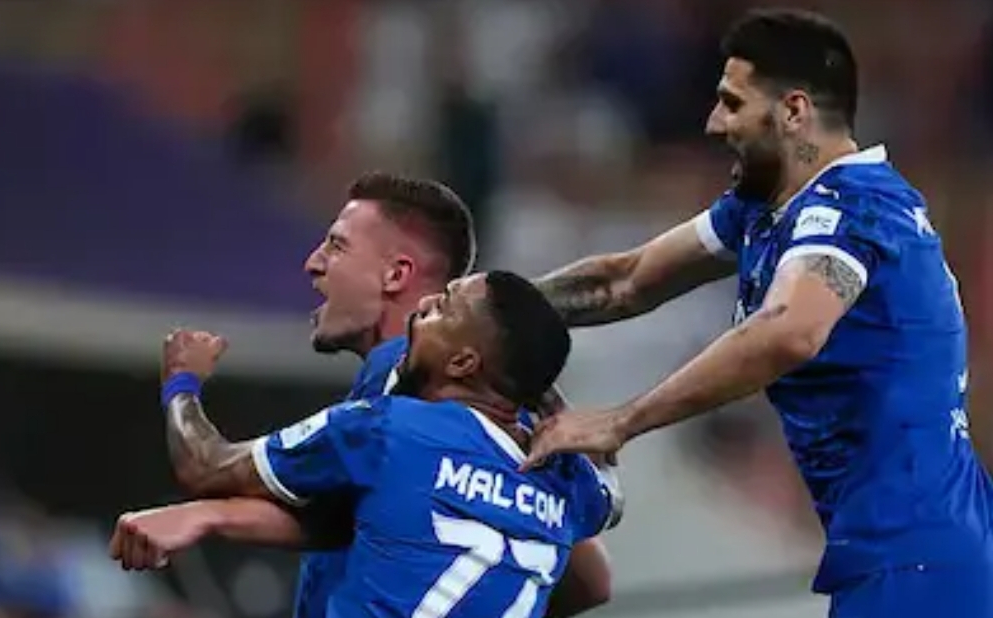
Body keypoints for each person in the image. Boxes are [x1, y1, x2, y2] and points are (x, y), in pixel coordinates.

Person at [521, 8, 993, 618]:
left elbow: (788, 332)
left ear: (793, 111)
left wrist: (622, 421)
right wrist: (485, 307)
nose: (714, 123)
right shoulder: (768, 209)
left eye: (732, 103)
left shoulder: (854, 209)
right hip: (902, 554)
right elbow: (627, 281)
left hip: (918, 562)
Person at [111, 174, 612, 617]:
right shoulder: (533, 444)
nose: (313, 263)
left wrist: (181, 382)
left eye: (337, 246)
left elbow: (206, 467)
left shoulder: (395, 409)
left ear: (396, 275)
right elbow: (592, 580)